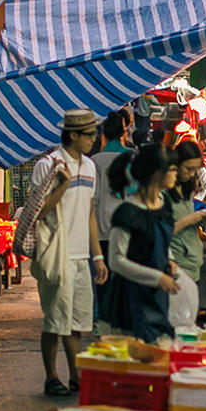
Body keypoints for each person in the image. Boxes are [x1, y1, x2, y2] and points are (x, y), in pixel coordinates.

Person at [32, 109, 108, 397]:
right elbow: (39, 211)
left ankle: (76, 377)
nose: (94, 139)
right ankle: (52, 377)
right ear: (73, 135)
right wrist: (62, 184)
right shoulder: (48, 165)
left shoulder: (89, 167)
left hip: (81, 255)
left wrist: (97, 256)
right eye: (89, 135)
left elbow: (89, 212)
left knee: (76, 322)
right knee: (55, 319)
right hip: (56, 251)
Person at [103, 143, 188, 342]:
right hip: (131, 299)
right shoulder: (128, 212)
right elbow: (116, 260)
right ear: (158, 173)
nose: (176, 174)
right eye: (173, 169)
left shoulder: (164, 203)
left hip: (157, 295)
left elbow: (162, 242)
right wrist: (156, 277)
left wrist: (170, 260)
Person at [167, 141, 206, 328]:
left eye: (194, 170)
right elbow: (162, 230)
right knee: (180, 324)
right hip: (177, 263)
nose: (191, 174)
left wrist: (203, 220)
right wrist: (192, 218)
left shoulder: (186, 189)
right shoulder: (164, 194)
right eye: (187, 169)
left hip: (193, 261)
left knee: (189, 323)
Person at [91, 112, 128, 327]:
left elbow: (93, 200)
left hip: (101, 229)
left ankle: (103, 320)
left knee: (103, 277)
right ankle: (121, 319)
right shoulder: (132, 156)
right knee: (123, 275)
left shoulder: (95, 161)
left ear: (103, 133)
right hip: (126, 228)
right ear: (124, 132)